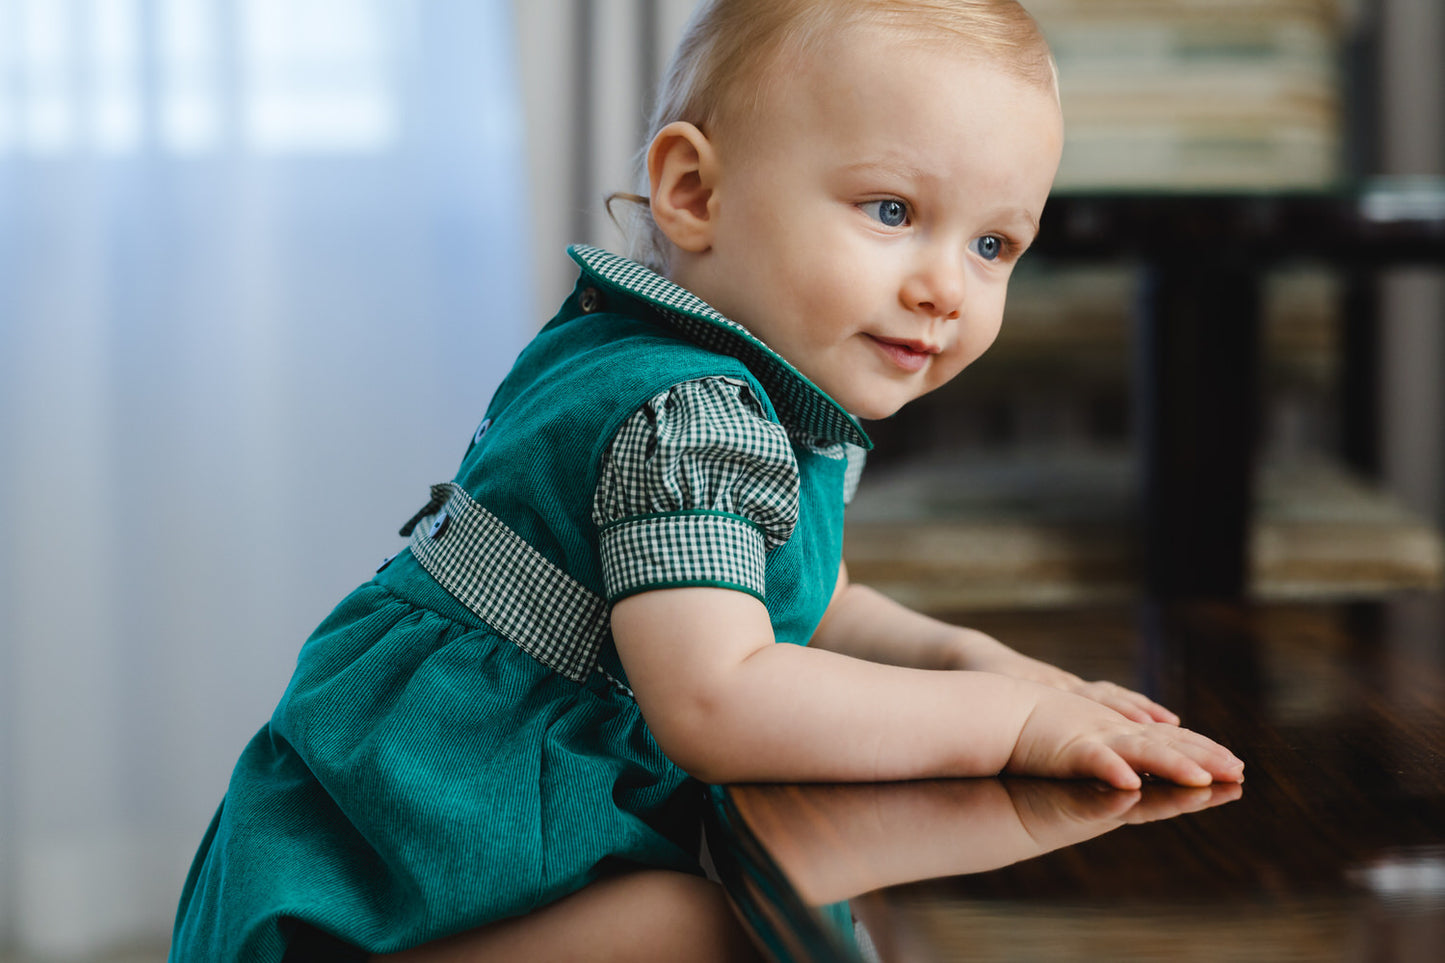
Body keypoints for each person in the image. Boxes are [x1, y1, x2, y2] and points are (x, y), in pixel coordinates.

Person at [169, 1, 1245, 961]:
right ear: (692, 192)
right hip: (388, 894)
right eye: (889, 211)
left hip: (417, 838)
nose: (941, 288)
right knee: (729, 926)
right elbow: (719, 692)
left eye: (993, 244)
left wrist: (983, 662)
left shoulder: (683, 365)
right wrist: (1006, 729)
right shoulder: (684, 416)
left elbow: (801, 608)